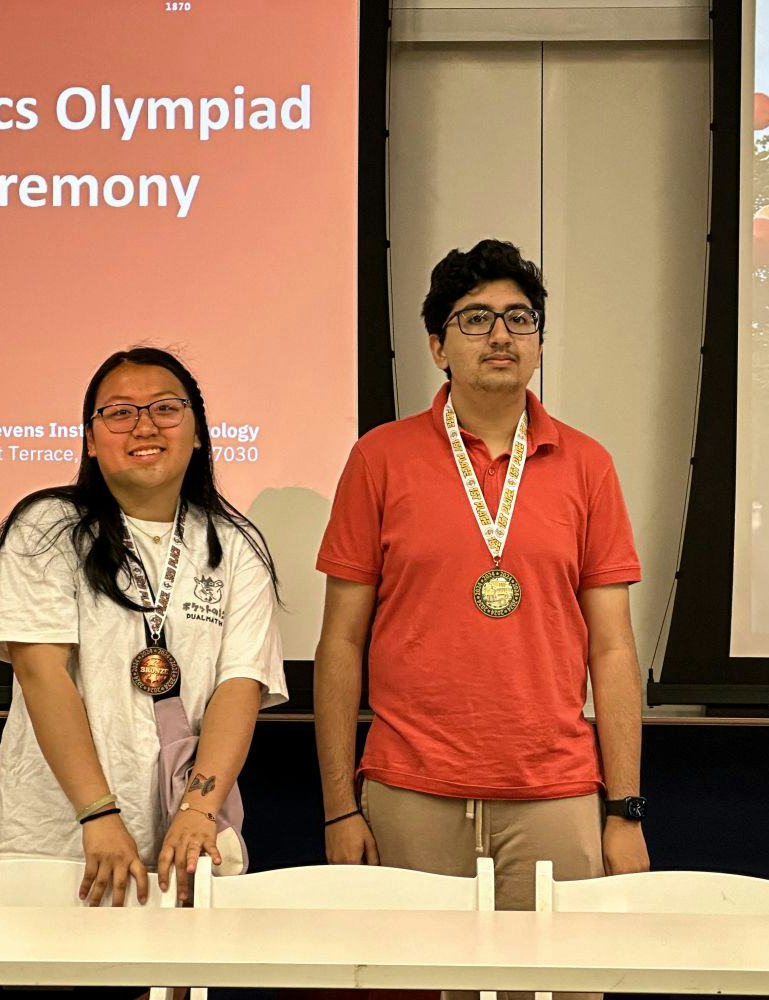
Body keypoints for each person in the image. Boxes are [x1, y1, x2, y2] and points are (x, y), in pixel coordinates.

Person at [314, 240, 649, 990]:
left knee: (562, 988)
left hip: (556, 795)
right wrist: (340, 808)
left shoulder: (587, 464)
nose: (501, 335)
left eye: (518, 318)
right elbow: (340, 642)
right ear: (437, 345)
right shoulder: (380, 458)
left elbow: (615, 651)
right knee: (415, 988)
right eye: (475, 319)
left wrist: (623, 809)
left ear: (537, 342)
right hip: (411, 793)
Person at [0, 346, 286, 912]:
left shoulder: (235, 545)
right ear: (91, 440)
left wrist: (199, 813)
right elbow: (41, 672)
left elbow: (240, 686)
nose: (144, 425)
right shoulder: (46, 528)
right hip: (55, 832)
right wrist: (97, 813)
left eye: (166, 409)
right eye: (119, 412)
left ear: (196, 431)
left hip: (180, 839)